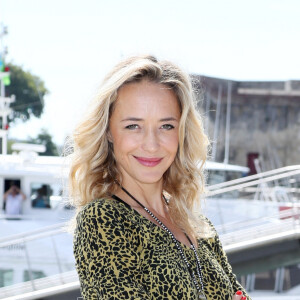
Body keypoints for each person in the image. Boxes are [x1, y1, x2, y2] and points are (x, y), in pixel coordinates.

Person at [70, 55, 251, 299]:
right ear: (109, 132)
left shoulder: (199, 227)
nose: (152, 145)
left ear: (182, 131)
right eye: (133, 126)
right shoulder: (102, 220)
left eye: (166, 126)